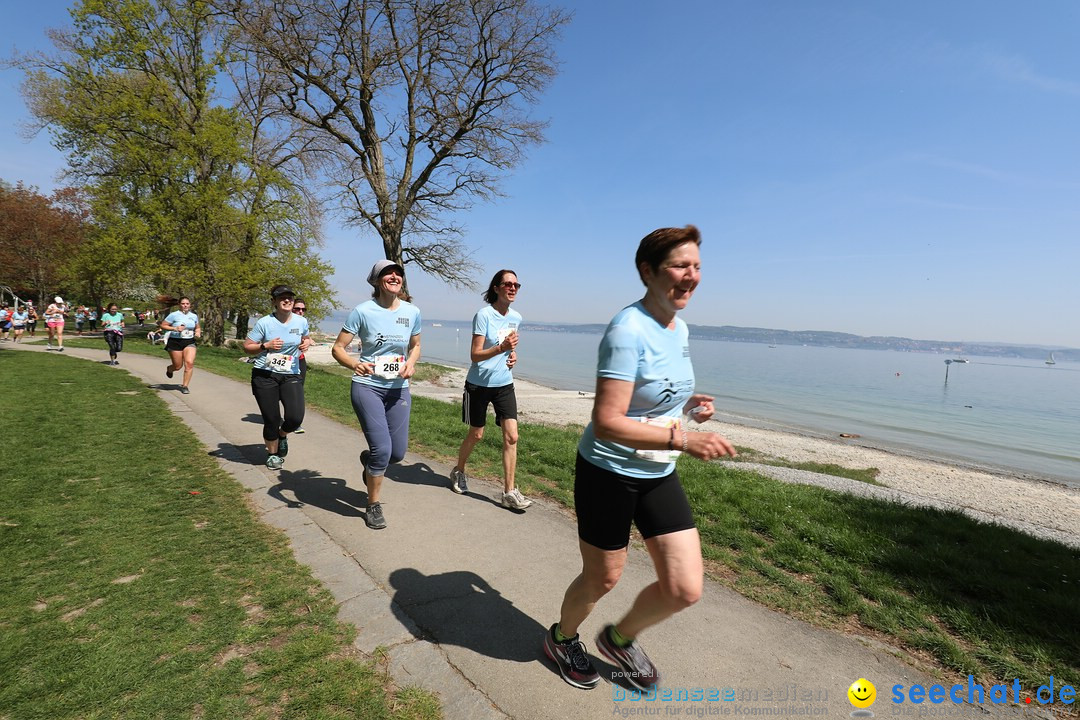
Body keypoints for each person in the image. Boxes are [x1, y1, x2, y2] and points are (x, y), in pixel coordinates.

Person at [543, 226, 736, 692]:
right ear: (648, 271)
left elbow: (649, 402)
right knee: (602, 578)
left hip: (656, 471)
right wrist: (684, 441)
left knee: (683, 588)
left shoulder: (678, 325)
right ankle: (562, 638)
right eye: (680, 266)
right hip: (608, 471)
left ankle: (619, 638)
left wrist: (687, 409)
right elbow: (608, 420)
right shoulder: (627, 330)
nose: (691, 276)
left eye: (697, 267)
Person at [331, 259, 422, 530]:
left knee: (397, 454)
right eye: (387, 273)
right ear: (376, 280)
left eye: (398, 273)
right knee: (382, 450)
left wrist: (411, 363)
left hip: (399, 390)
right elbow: (338, 348)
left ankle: (369, 462)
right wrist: (355, 363)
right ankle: (373, 505)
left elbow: (416, 345)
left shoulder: (412, 311)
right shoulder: (362, 311)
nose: (394, 276)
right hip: (367, 386)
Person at [449, 270, 532, 510]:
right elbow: (475, 355)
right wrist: (501, 347)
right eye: (508, 284)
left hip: (504, 384)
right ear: (496, 288)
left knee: (512, 436)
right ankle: (459, 470)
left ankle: (509, 492)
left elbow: (509, 347)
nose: (513, 288)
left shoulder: (516, 317)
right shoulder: (483, 315)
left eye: (517, 284)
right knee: (477, 434)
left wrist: (512, 354)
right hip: (478, 385)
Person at [243, 285, 311, 470]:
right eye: (282, 297)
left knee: (296, 417)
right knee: (271, 418)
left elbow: (306, 337)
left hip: (291, 374)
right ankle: (273, 454)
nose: (287, 300)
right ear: (274, 301)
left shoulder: (300, 321)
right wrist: (266, 346)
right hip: (265, 375)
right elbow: (247, 346)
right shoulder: (265, 323)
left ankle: (282, 434)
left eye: (290, 297)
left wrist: (306, 343)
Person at [161, 297, 201, 394]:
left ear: (190, 304)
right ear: (179, 304)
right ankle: (170, 369)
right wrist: (175, 328)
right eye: (183, 303)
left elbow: (197, 327)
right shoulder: (173, 315)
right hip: (175, 341)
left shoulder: (194, 316)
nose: (185, 305)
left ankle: (185, 386)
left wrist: (197, 333)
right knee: (178, 366)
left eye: (187, 303)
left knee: (189, 363)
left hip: (189, 341)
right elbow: (163, 325)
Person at [292, 298, 309, 434]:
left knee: (298, 392)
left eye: (303, 309)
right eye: (297, 309)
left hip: (300, 361)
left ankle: (296, 423)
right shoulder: (281, 321)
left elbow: (306, 337)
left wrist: (307, 342)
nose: (300, 311)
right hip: (283, 362)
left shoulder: (303, 323)